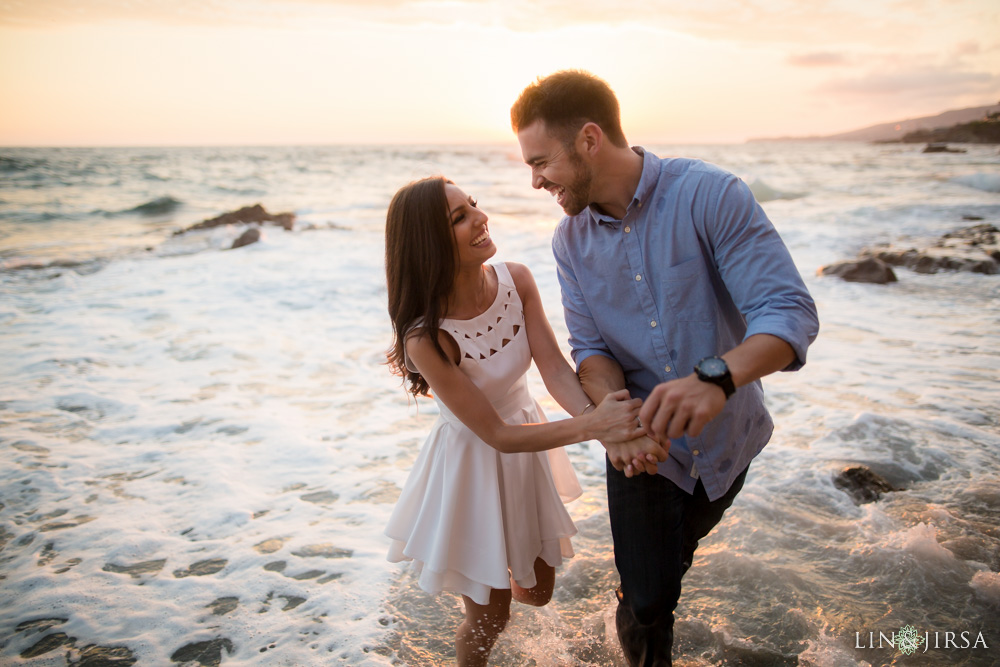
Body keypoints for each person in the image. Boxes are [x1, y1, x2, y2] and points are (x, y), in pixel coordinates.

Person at [510, 70, 820, 666]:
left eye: (541, 161)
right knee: (653, 602)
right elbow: (592, 350)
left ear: (590, 139)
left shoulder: (710, 195)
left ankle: (635, 591)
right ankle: (640, 609)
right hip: (643, 451)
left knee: (663, 571)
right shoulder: (568, 242)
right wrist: (617, 422)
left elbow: (788, 311)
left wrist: (716, 377)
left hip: (730, 440)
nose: (534, 180)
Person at [383, 176, 646, 667]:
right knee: (488, 621)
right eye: (458, 218)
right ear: (429, 244)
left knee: (540, 590)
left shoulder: (516, 279)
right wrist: (596, 428)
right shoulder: (427, 337)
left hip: (533, 443)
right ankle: (478, 599)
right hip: (473, 466)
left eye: (473, 206)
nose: (480, 218)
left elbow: (554, 370)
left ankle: (487, 584)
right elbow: (497, 435)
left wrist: (601, 420)